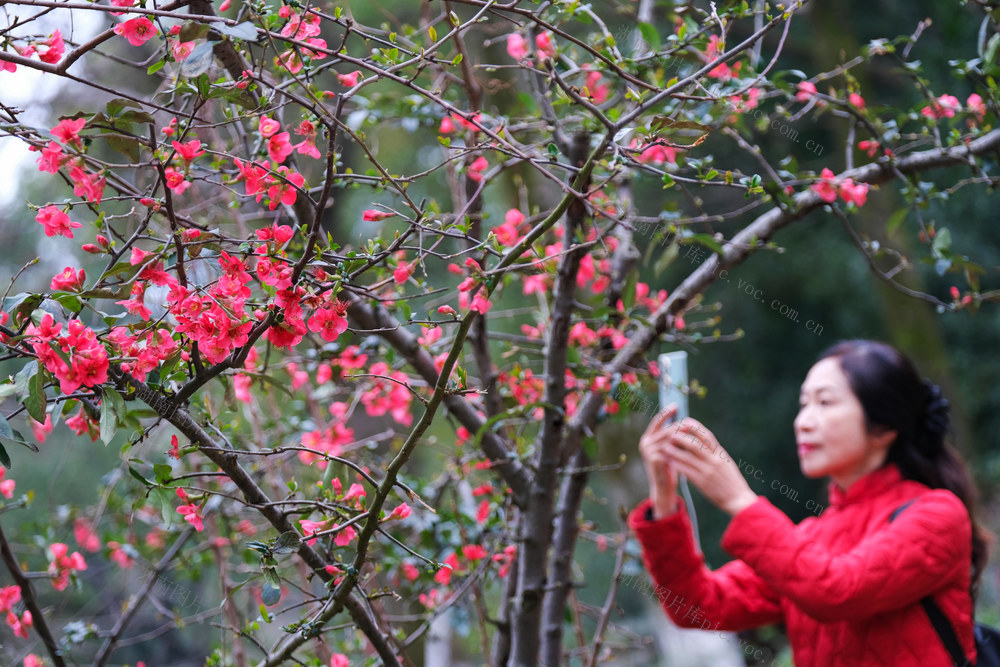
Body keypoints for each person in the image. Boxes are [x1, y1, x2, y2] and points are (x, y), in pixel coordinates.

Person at [629, 340, 989, 666]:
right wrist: (664, 495)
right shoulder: (810, 539)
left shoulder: (937, 515)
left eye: (825, 403)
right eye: (804, 404)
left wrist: (740, 501)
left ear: (884, 428)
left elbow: (837, 591)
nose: (803, 422)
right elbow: (697, 606)